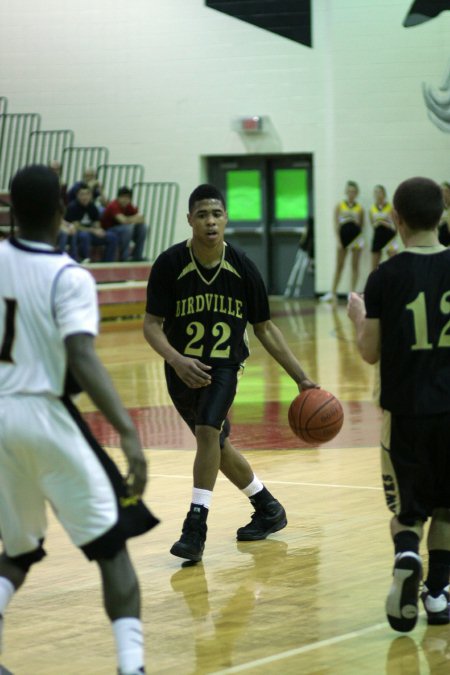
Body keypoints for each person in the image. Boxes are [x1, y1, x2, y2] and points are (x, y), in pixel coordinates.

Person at [0, 165, 159, 675]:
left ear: (13, 211)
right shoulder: (69, 276)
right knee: (113, 545)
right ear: (62, 211)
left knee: (18, 552)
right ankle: (131, 666)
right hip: (43, 411)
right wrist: (130, 433)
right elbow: (83, 358)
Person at [143, 184, 316, 563]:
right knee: (215, 446)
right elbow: (152, 325)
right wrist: (176, 360)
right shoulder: (170, 264)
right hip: (181, 370)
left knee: (208, 431)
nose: (209, 221)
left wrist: (301, 378)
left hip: (223, 367)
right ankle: (268, 507)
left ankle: (195, 527)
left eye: (216, 214)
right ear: (189, 220)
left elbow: (265, 328)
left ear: (226, 219)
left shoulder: (242, 267)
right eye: (202, 214)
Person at [347, 176, 450, 633]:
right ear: (443, 214)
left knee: (407, 514)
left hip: (405, 412)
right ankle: (439, 595)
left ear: (396, 218)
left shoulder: (384, 276)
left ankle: (407, 556)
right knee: (447, 510)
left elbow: (369, 352)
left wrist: (356, 317)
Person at [320, 181, 365, 303]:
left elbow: (361, 225)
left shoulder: (360, 208)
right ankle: (332, 292)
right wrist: (339, 241)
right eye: (349, 191)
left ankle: (352, 293)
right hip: (343, 238)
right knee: (339, 266)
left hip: (356, 238)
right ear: (346, 192)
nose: (351, 193)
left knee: (355, 266)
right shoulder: (339, 205)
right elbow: (336, 224)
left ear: (357, 193)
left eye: (354, 191)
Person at [66, 182, 117, 262]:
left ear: (90, 195)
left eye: (87, 194)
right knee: (84, 235)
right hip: (77, 234)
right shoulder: (73, 207)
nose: (85, 197)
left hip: (92, 233)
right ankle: (85, 259)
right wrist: (93, 230)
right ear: (77, 195)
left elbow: (96, 222)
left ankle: (107, 262)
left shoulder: (92, 207)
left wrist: (99, 230)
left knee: (111, 237)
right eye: (82, 194)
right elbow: (76, 226)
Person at [101, 187, 147, 262]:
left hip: (122, 229)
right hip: (109, 230)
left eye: (128, 197)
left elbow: (142, 219)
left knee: (143, 227)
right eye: (123, 197)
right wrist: (133, 219)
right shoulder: (113, 205)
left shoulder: (129, 206)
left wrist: (129, 219)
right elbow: (123, 221)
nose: (125, 200)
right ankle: (124, 257)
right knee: (128, 228)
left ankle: (137, 256)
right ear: (118, 197)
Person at [369, 185, 398, 270]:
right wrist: (378, 223)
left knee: (394, 265)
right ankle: (375, 283)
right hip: (378, 236)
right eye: (376, 192)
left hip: (389, 236)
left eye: (380, 192)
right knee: (374, 267)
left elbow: (396, 225)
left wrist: (385, 223)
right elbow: (373, 224)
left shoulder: (391, 207)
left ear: (384, 194)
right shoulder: (372, 209)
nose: (378, 194)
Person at [437, 181, 450, 246]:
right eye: (442, 191)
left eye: (446, 191)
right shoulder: (440, 211)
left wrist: (446, 220)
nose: (444, 194)